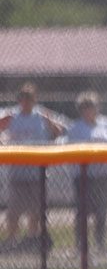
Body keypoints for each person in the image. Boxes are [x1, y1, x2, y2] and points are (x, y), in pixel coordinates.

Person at [0, 83, 66, 250]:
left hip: (37, 172)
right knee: (14, 210)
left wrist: (50, 123)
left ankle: (31, 240)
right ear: (19, 100)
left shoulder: (41, 115)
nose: (26, 102)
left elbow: (59, 132)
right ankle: (12, 241)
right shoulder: (11, 116)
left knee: (36, 210)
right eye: (23, 98)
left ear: (34, 100)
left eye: (29, 98)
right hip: (17, 171)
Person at [67, 91, 107, 250]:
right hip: (83, 176)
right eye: (84, 108)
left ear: (97, 108)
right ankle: (80, 245)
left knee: (101, 212)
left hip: (103, 175)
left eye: (91, 107)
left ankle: (100, 244)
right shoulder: (76, 128)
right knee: (82, 212)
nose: (88, 111)